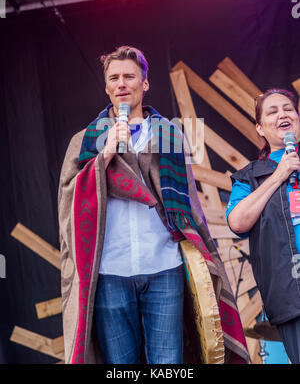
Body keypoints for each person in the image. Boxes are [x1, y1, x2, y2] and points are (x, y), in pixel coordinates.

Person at [58, 45, 249, 364]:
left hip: (164, 265)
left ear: (144, 84)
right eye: (114, 77)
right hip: (110, 271)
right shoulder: (85, 141)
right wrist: (105, 155)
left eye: (129, 76)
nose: (121, 83)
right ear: (106, 87)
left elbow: (189, 207)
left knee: (168, 363)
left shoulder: (171, 135)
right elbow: (70, 202)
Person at [227, 88, 300, 364]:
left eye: (288, 109)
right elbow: (237, 221)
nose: (282, 114)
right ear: (259, 128)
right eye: (272, 111)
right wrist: (279, 175)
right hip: (291, 296)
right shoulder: (249, 178)